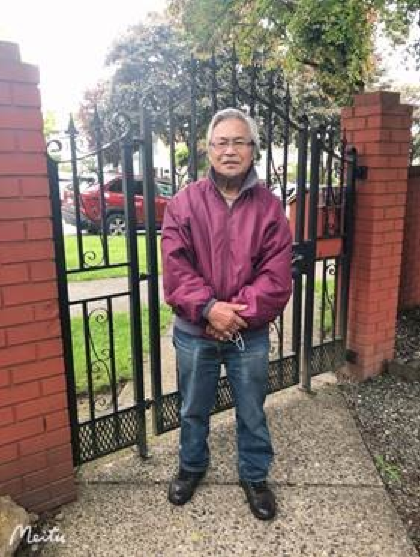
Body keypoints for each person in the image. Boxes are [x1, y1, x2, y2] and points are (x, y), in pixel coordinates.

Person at [161, 108, 293, 521]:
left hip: (246, 332)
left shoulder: (270, 208)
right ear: (209, 149)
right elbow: (176, 265)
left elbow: (276, 276)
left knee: (252, 408)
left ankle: (255, 475)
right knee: (193, 407)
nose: (230, 150)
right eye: (222, 142)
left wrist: (234, 315)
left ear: (253, 150)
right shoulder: (183, 203)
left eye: (239, 141)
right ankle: (191, 466)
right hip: (194, 329)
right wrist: (207, 309)